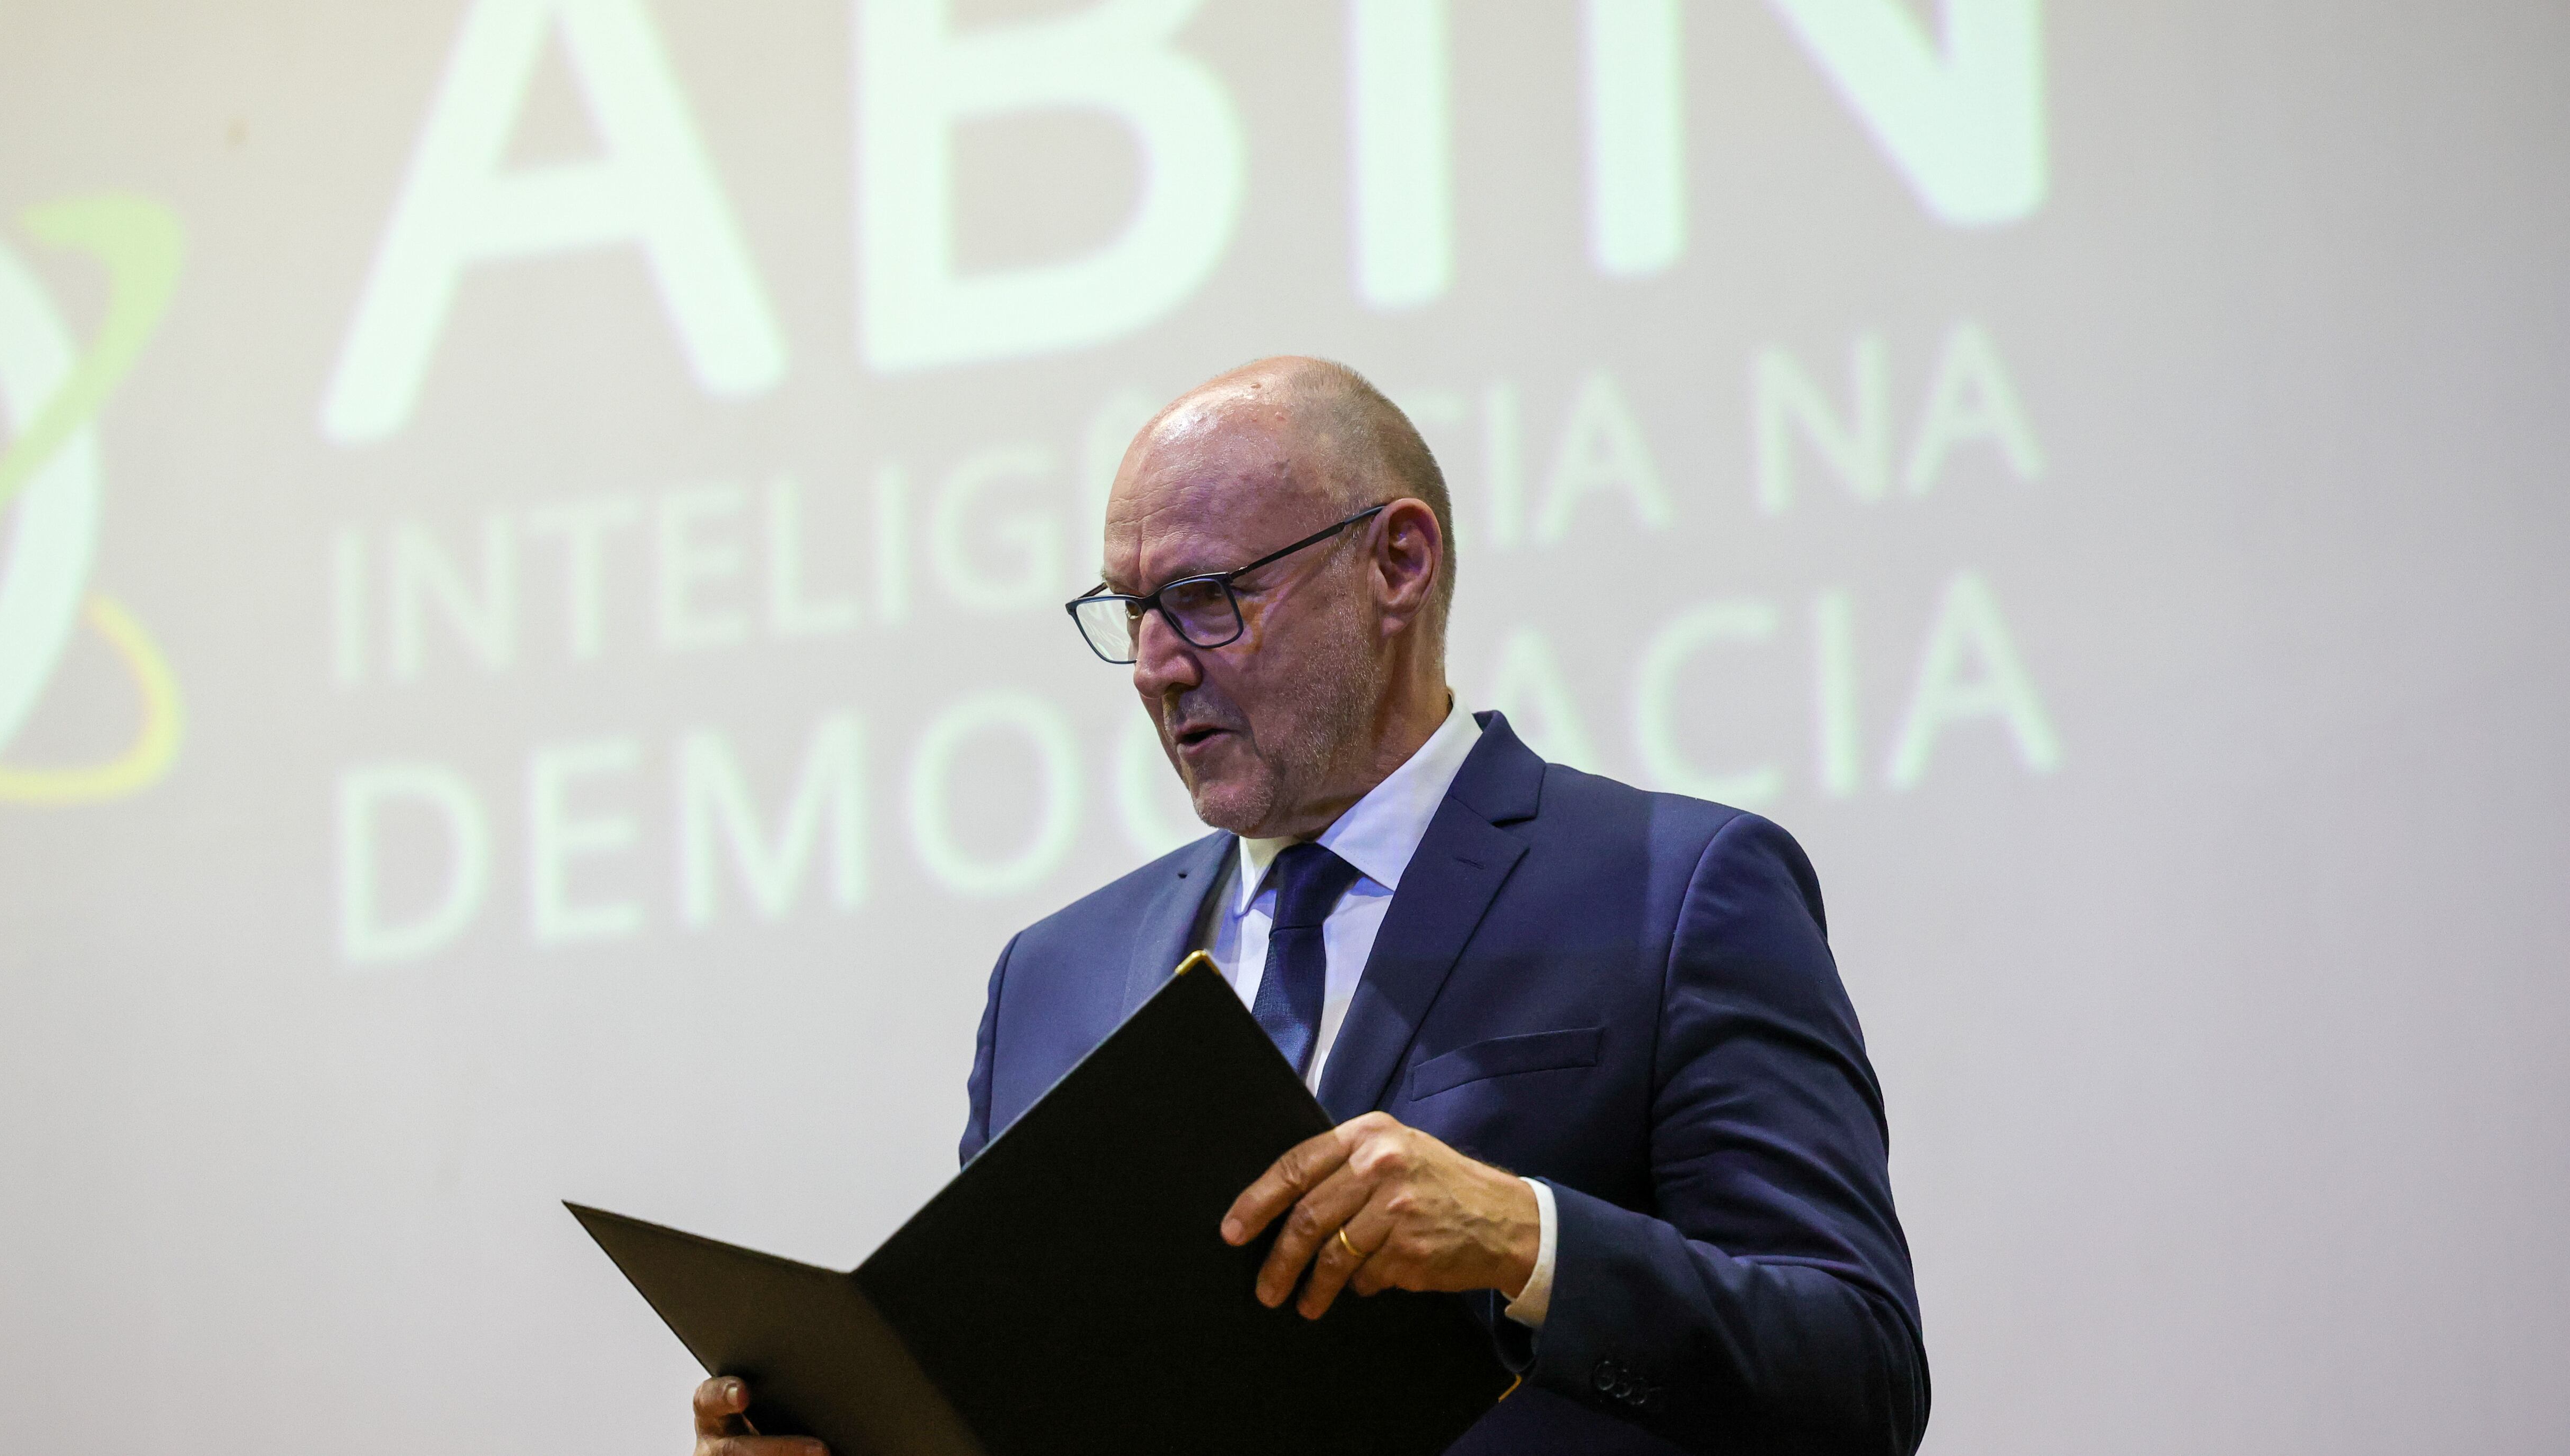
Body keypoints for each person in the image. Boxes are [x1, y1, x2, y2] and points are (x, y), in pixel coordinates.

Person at [692, 357, 1926, 1455]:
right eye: (1132, 610)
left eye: (1206, 596)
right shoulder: (1051, 975)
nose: (1159, 664)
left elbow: (1856, 1374)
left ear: (1398, 561)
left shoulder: (1677, 889)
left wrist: (1527, 1238)